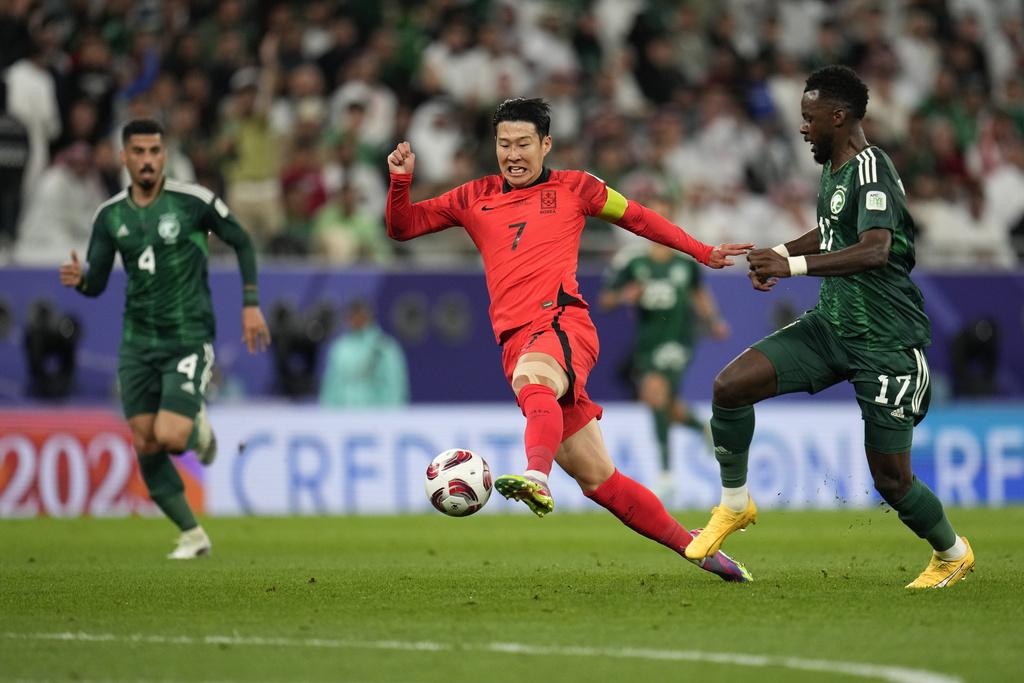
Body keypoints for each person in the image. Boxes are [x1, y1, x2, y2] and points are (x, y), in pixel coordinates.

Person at [386, 97, 753, 582]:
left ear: (546, 144)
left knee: (534, 381)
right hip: (515, 340)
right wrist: (400, 182)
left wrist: (701, 251)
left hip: (562, 323)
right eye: (503, 144)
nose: (512, 155)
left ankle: (535, 477)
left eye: (523, 144)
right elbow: (404, 227)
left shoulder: (578, 187)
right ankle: (699, 549)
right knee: (599, 480)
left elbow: (638, 217)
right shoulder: (473, 196)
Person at [684, 65, 975, 589]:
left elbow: (874, 249)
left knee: (892, 480)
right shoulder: (835, 170)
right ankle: (734, 504)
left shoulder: (872, 168)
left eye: (809, 117)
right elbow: (831, 230)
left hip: (885, 342)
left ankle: (952, 553)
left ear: (837, 117)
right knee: (729, 387)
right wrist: (777, 253)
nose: (802, 128)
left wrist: (790, 267)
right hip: (831, 327)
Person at [59, 118, 270, 559]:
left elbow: (242, 241)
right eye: (138, 152)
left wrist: (250, 304)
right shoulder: (110, 216)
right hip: (137, 343)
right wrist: (80, 280)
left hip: (187, 336)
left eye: (154, 151)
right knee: (145, 441)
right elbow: (97, 283)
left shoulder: (192, 202)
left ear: (165, 156)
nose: (147, 160)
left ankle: (196, 427)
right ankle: (192, 534)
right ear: (123, 157)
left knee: (171, 436)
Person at [599, 230, 729, 500]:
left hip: (678, 339)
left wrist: (713, 320)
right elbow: (605, 301)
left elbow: (699, 294)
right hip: (647, 343)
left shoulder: (685, 265)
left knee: (656, 395)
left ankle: (666, 476)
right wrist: (625, 295)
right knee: (664, 405)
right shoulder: (635, 263)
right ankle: (704, 428)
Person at [319, 299, 409, 407]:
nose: (356, 319)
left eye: (360, 315)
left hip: (377, 414)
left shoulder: (385, 347)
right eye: (352, 315)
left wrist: (391, 414)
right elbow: (331, 385)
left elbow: (395, 386)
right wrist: (328, 411)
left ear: (369, 316)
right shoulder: (340, 348)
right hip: (345, 414)